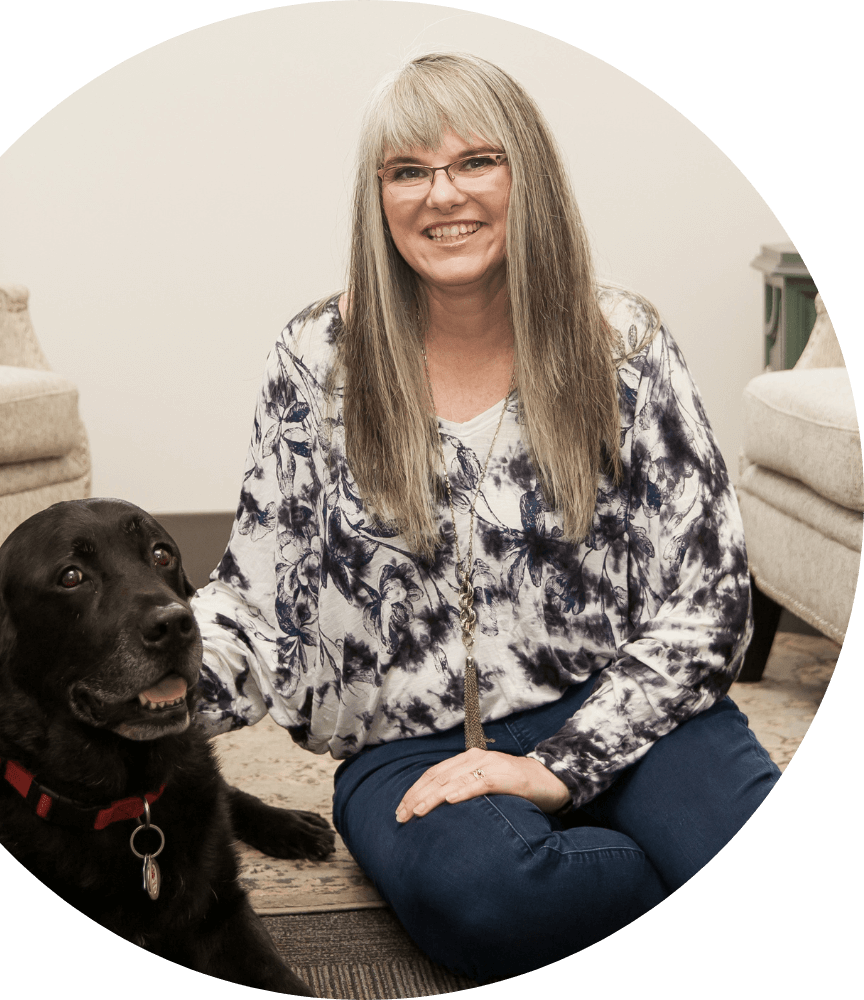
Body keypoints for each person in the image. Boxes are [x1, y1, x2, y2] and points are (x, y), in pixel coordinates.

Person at [191, 51, 780, 980]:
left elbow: (709, 603)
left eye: (476, 161)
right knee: (490, 903)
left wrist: (564, 765)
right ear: (377, 196)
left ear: (527, 176)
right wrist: (152, 685)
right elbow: (262, 595)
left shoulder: (623, 341)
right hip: (409, 744)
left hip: (627, 703)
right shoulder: (316, 357)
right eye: (409, 171)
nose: (442, 195)